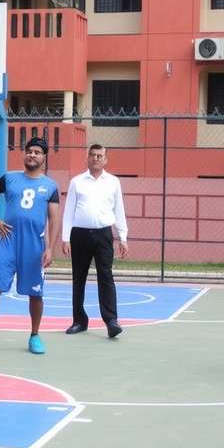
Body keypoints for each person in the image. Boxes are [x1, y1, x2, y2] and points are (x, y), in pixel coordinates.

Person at [0, 137, 60, 355]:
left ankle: (35, 335)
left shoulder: (50, 186)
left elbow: (54, 219)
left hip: (34, 246)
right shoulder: (9, 178)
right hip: (9, 242)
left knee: (36, 293)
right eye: (29, 151)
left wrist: (50, 248)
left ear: (44, 157)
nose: (32, 155)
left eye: (37, 152)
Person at [61, 144, 128, 338]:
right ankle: (79, 321)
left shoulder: (113, 182)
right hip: (79, 235)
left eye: (100, 155)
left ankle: (111, 321)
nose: (96, 158)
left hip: (103, 235)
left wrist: (123, 237)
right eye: (92, 155)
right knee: (78, 278)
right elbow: (69, 211)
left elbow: (119, 210)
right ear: (87, 158)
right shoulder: (76, 182)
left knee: (106, 276)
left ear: (105, 159)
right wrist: (65, 238)